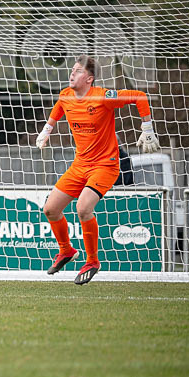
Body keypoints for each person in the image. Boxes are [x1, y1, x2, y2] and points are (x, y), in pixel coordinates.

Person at [36, 55, 160, 285]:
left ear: (89, 79)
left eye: (77, 71)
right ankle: (66, 251)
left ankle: (92, 260)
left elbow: (139, 96)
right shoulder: (66, 94)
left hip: (105, 165)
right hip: (80, 165)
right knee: (50, 210)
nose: (72, 74)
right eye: (72, 70)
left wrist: (147, 128)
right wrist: (47, 129)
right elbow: (59, 106)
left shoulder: (103, 96)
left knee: (83, 209)